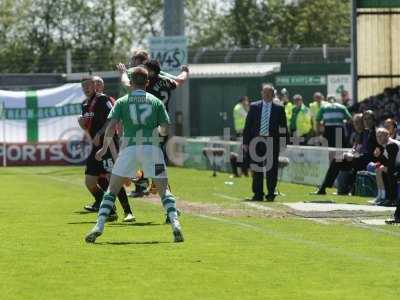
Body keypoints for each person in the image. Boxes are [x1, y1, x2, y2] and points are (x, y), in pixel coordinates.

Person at [85, 66, 183, 243]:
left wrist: (104, 148)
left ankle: (99, 226)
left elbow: (111, 127)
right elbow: (165, 129)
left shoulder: (122, 102)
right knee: (164, 190)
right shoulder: (155, 102)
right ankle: (175, 224)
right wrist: (158, 132)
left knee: (112, 189)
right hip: (152, 149)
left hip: (129, 149)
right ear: (147, 83)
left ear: (131, 83)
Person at [78, 77, 135, 222]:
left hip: (109, 144)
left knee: (113, 179)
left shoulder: (103, 100)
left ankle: (128, 212)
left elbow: (111, 119)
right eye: (84, 87)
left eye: (89, 85)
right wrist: (82, 125)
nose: (87, 89)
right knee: (90, 182)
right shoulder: (84, 104)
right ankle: (109, 208)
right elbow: (87, 127)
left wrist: (99, 134)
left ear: (95, 86)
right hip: (95, 146)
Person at [311, 110, 378, 195]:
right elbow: (356, 148)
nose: (366, 121)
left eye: (369, 119)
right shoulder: (363, 133)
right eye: (365, 119)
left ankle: (339, 189)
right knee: (337, 160)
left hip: (368, 161)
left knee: (340, 161)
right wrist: (350, 153)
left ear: (374, 120)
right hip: (359, 160)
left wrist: (353, 156)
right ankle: (323, 188)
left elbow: (368, 154)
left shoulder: (375, 133)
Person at [243, 83, 288, 202]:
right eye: (265, 93)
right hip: (256, 141)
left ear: (273, 95)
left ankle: (271, 194)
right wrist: (245, 142)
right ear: (261, 93)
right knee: (257, 168)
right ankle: (258, 194)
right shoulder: (254, 106)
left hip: (272, 142)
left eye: (270, 93)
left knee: (271, 169)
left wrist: (283, 143)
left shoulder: (279, 109)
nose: (267, 95)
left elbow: (283, 128)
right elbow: (248, 126)